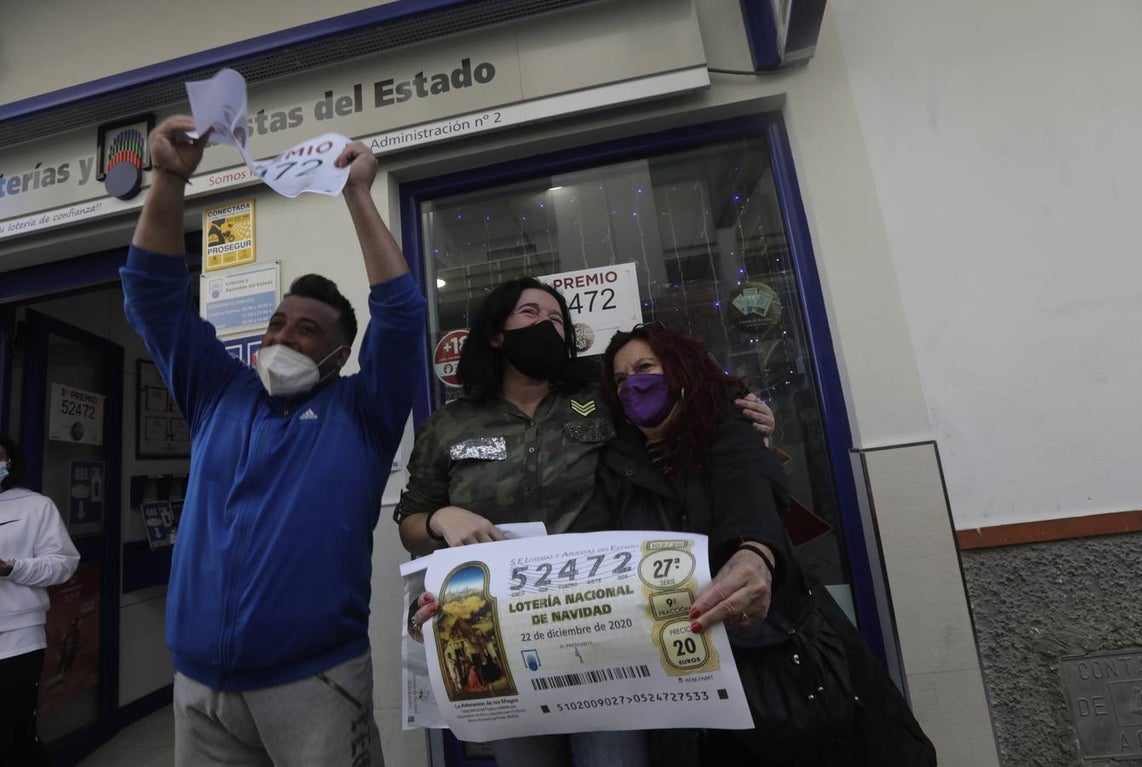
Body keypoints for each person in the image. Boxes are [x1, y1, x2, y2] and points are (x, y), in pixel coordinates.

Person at [121, 115, 425, 766]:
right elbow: (153, 297)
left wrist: (357, 195)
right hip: (200, 687)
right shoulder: (216, 394)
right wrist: (170, 180)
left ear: (341, 353)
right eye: (277, 323)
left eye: (307, 330)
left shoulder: (363, 413)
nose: (283, 336)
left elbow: (400, 316)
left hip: (317, 680)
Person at [396, 278, 774, 767]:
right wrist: (441, 518)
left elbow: (681, 426)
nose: (547, 325)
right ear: (495, 333)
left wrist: (746, 425)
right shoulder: (447, 425)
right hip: (498, 634)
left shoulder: (599, 400)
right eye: (530, 313)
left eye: (557, 319)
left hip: (602, 624)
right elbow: (409, 522)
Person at [586, 323, 937, 766]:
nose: (633, 384)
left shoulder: (729, 423)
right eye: (620, 379)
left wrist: (754, 552)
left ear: (677, 369)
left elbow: (749, 485)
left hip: (774, 658)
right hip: (683, 671)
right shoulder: (617, 462)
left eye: (644, 367)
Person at [0, 434, 81, 767]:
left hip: (17, 636)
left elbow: (63, 563)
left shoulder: (35, 506)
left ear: (10, 463)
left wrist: (10, 568)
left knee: (13, 734)